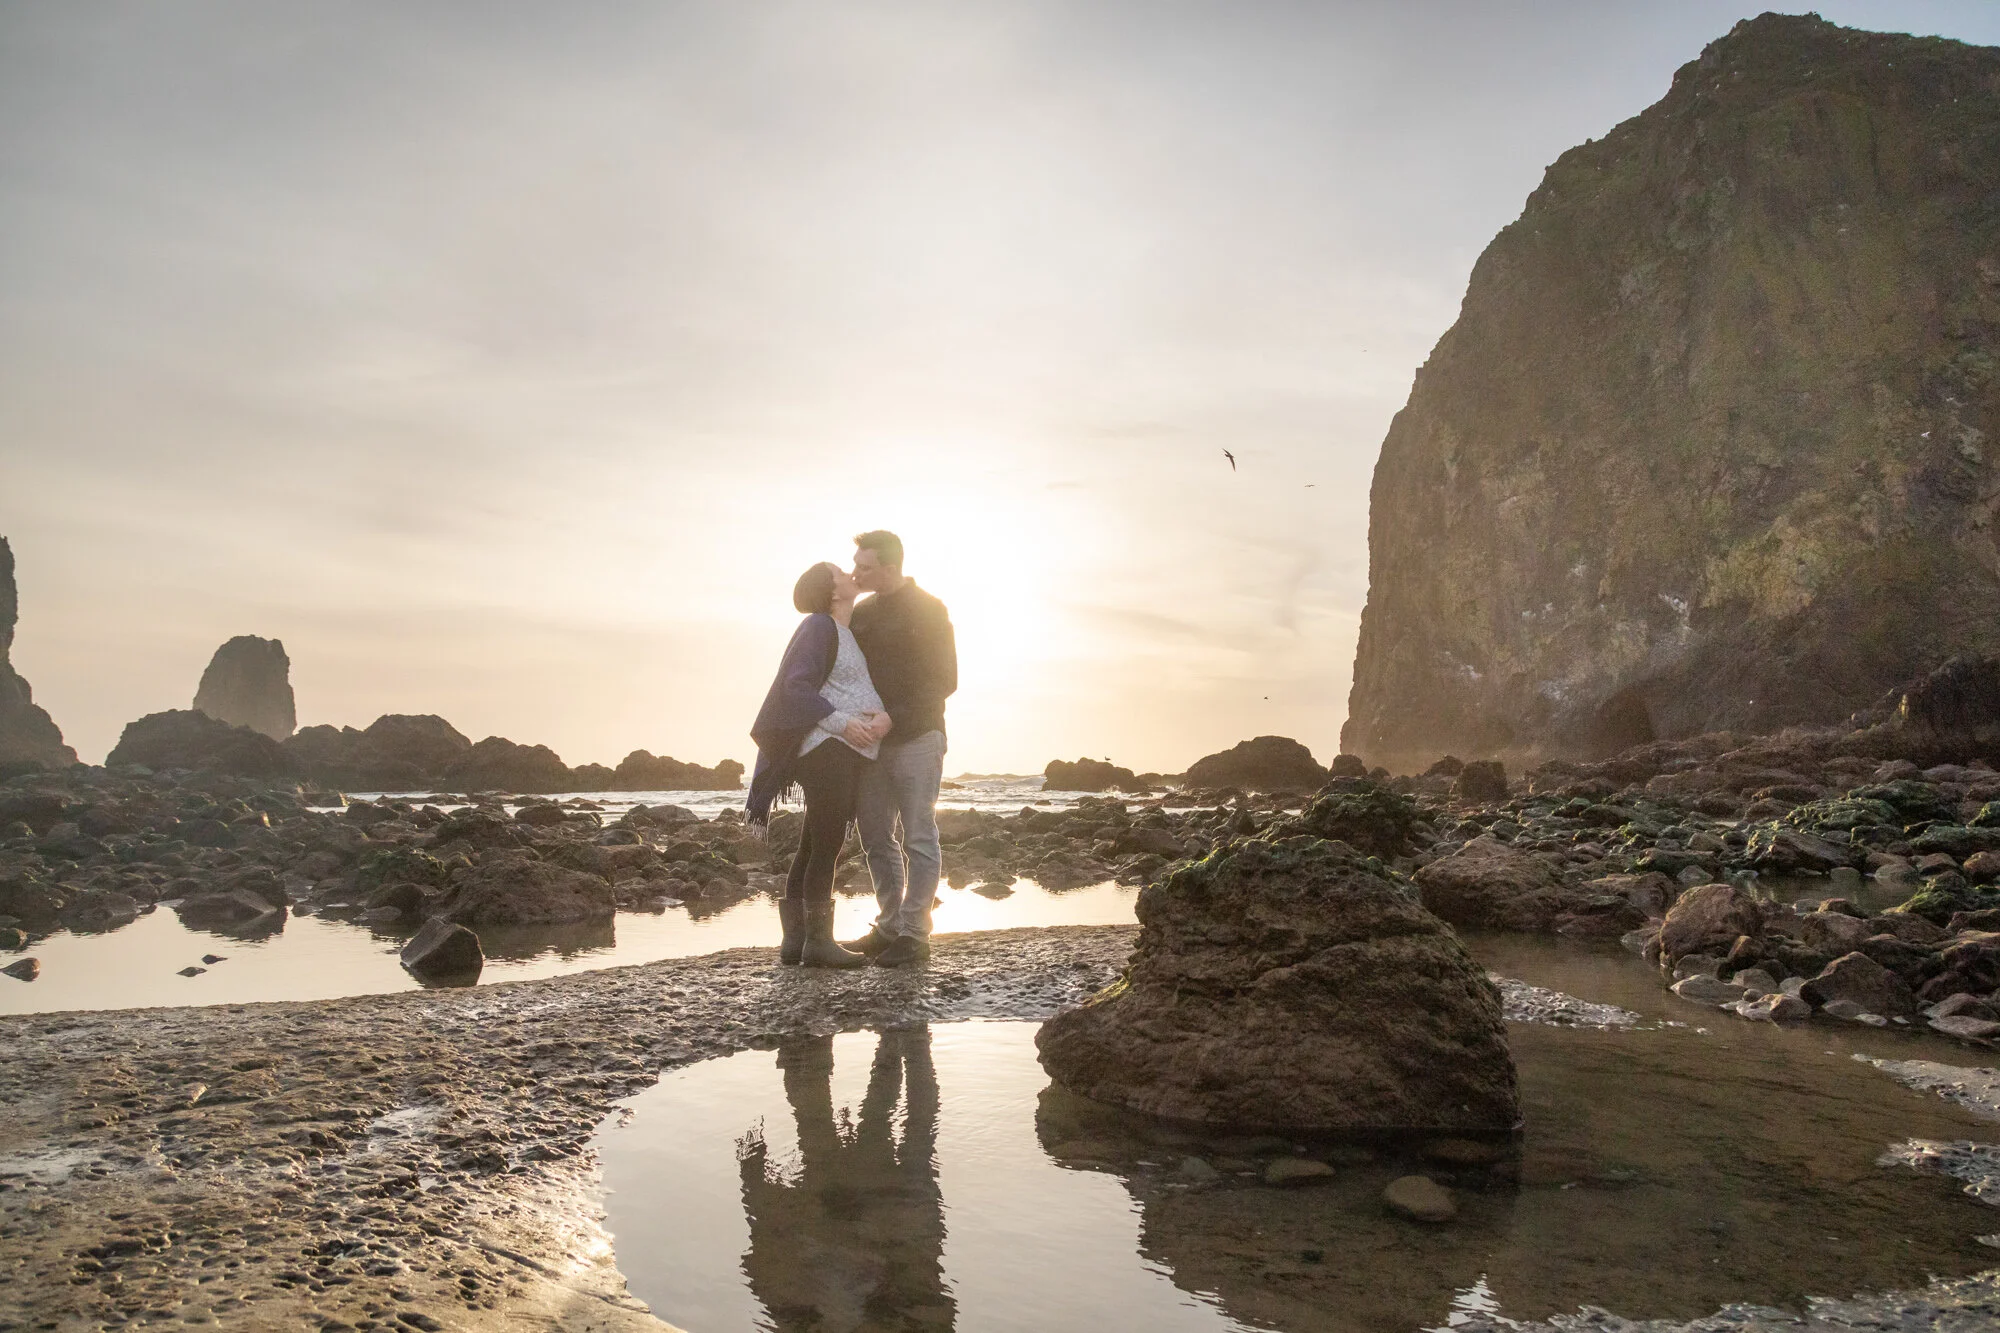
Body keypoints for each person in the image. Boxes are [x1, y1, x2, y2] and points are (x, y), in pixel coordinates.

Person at [746, 562, 893, 968]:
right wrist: (843, 723)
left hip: (837, 751)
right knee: (826, 846)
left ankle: (796, 944)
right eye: (840, 571)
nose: (850, 573)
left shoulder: (844, 631)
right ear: (832, 592)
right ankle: (819, 945)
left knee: (812, 845)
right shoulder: (819, 626)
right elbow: (795, 686)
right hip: (827, 750)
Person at [843, 531, 957, 967]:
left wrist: (897, 716)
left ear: (891, 569)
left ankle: (914, 934)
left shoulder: (930, 609)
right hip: (871, 743)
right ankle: (889, 926)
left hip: (919, 738)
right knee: (874, 836)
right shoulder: (863, 612)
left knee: (919, 835)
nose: (856, 573)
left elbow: (944, 679)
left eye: (865, 567)